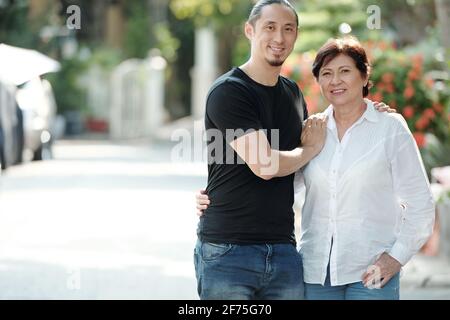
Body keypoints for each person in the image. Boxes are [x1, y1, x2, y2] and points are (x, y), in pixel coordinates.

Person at [197, 36, 435, 300]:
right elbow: (280, 178)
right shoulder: (312, 130)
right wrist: (216, 195)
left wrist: (395, 258)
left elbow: (420, 203)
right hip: (315, 273)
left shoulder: (389, 128)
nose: (335, 81)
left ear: (365, 76)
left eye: (345, 71)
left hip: (371, 271)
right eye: (326, 73)